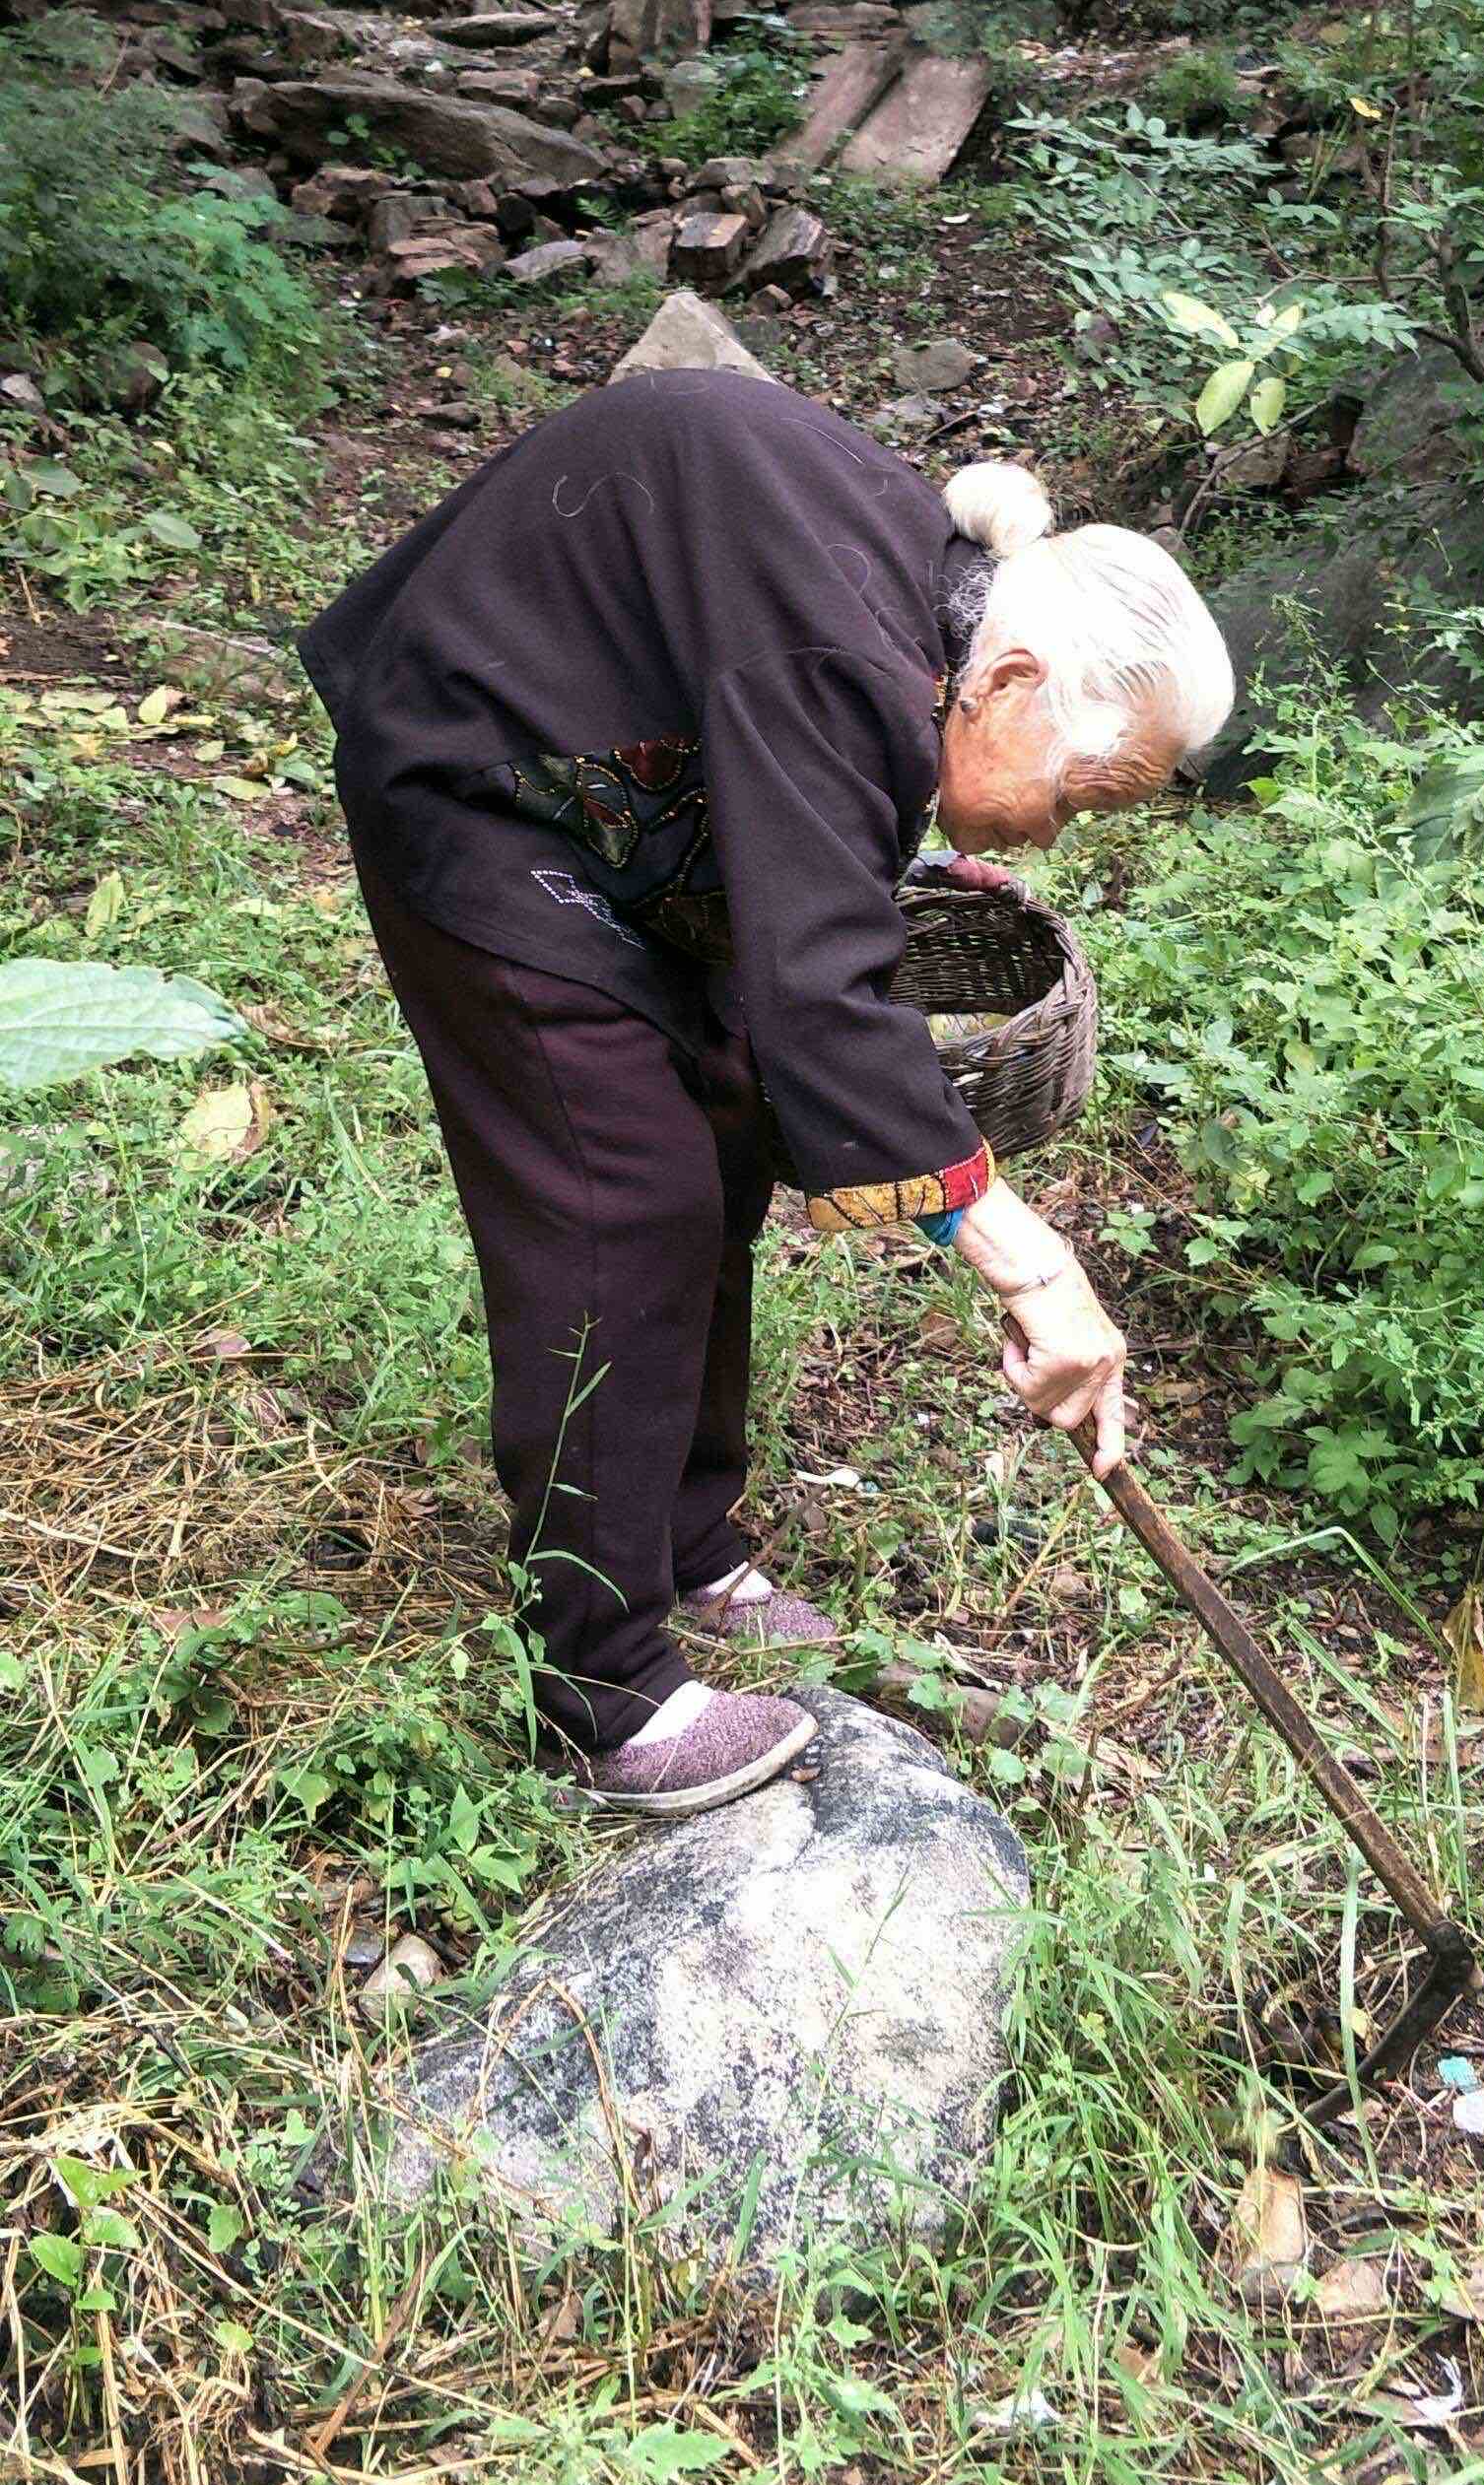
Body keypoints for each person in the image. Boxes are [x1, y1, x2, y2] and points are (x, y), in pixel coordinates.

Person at [300, 368, 1234, 1816]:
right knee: (628, 1189)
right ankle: (602, 1691)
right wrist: (1031, 1268)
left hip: (604, 778)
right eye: (1077, 798)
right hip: (476, 776)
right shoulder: (855, 665)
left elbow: (798, 913)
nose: (1054, 836)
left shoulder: (902, 629)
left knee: (723, 1121)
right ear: (1012, 685)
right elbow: (821, 997)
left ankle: (685, 1541)